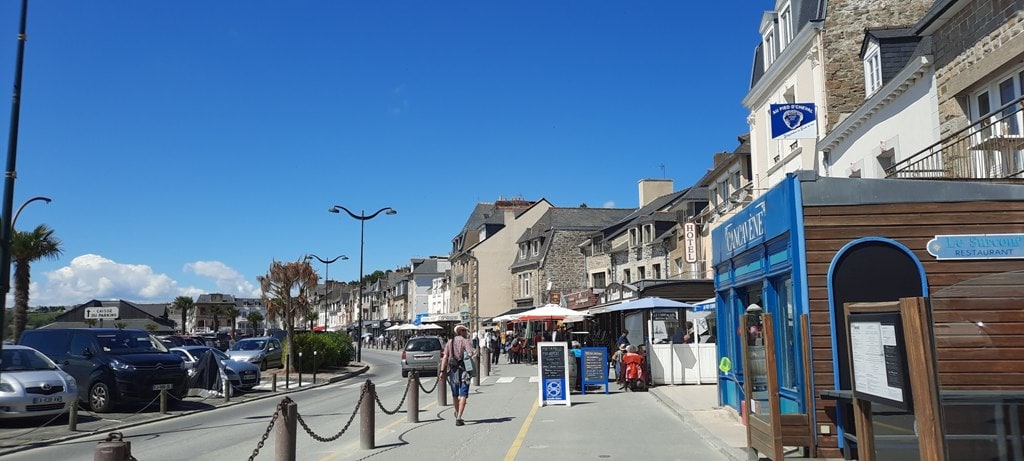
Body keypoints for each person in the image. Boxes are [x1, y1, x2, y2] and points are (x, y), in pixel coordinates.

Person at [440, 324, 476, 426]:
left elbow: (445, 357)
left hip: (453, 370)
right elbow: (470, 353)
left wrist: (442, 371)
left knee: (455, 394)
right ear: (461, 331)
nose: (466, 333)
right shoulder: (465, 341)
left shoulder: (449, 342)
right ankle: (459, 416)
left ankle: (457, 412)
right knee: (464, 393)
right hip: (464, 369)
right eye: (464, 331)